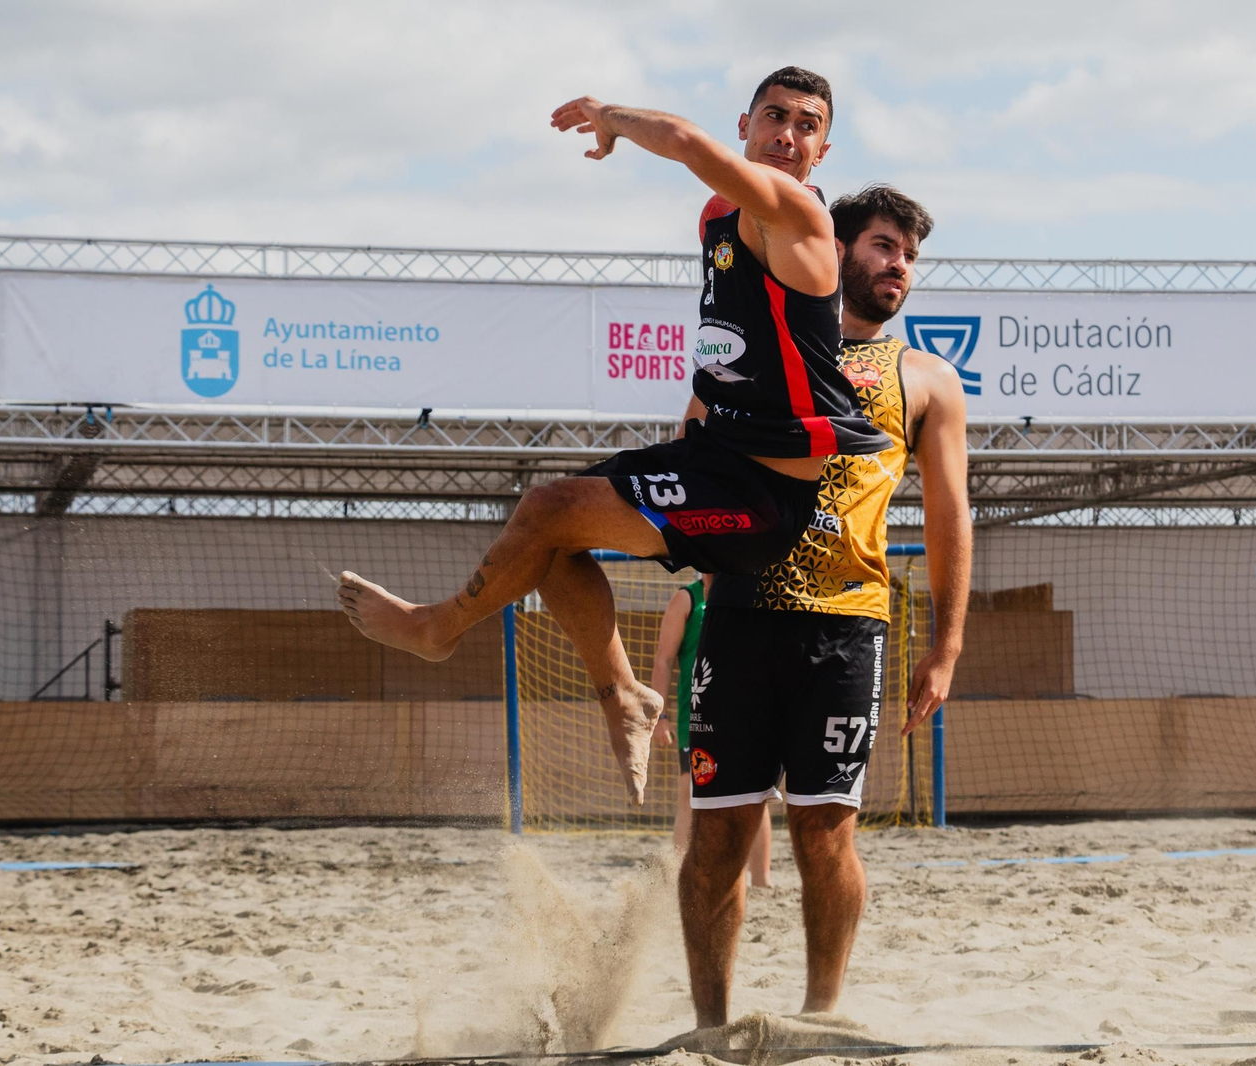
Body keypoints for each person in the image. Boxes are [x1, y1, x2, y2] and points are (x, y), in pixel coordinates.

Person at [337, 68, 889, 806]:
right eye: (775, 117)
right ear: (747, 125)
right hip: (716, 456)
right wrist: (699, 411)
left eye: (807, 125)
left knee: (551, 511)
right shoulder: (718, 218)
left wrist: (611, 116)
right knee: (543, 528)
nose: (787, 135)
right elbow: (737, 340)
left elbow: (687, 142)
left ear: (822, 151)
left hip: (766, 498)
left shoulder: (796, 213)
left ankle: (439, 627)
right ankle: (624, 696)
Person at [676, 184, 971, 1027]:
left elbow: (951, 521)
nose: (898, 266)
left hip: (846, 627)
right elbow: (693, 460)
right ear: (836, 249)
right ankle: (710, 1028)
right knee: (718, 840)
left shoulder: (925, 378)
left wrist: (945, 648)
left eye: (909, 255)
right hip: (738, 616)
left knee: (825, 831)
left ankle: (821, 1015)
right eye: (882, 246)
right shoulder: (753, 356)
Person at [650, 573, 771, 885]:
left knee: (757, 795)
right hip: (698, 718)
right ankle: (681, 877)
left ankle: (761, 881)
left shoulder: (750, 592)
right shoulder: (687, 600)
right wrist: (659, 717)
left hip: (748, 714)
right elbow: (663, 660)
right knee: (690, 795)